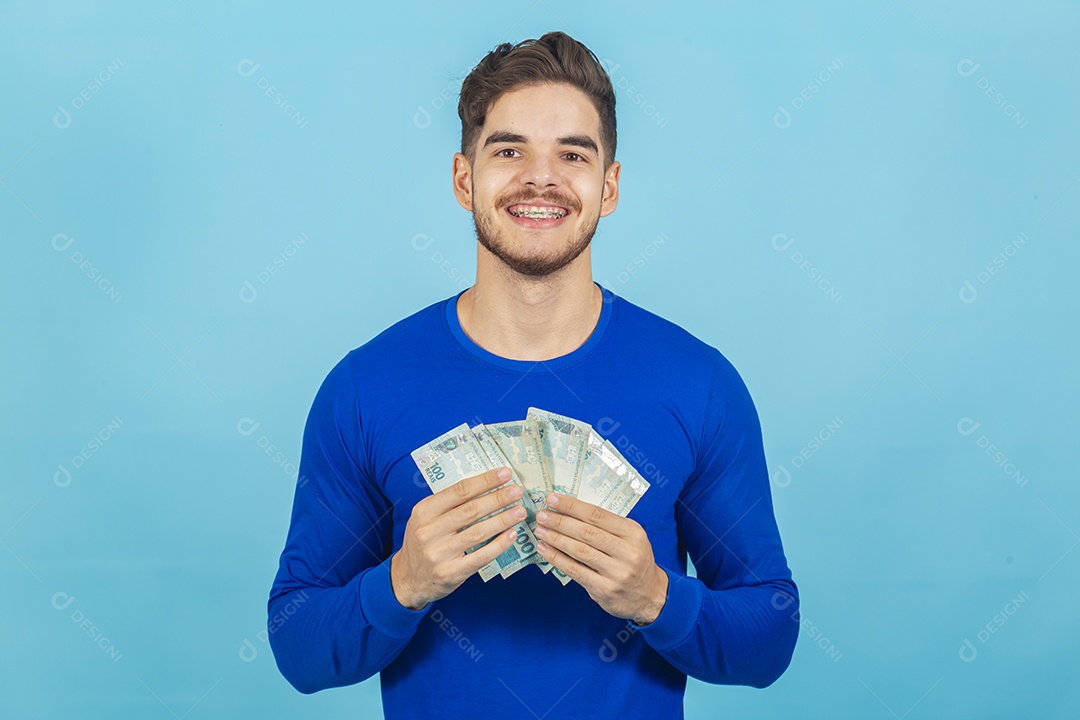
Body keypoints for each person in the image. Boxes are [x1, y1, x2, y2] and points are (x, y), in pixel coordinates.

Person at [268, 30, 799, 719]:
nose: (540, 178)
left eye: (572, 154)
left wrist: (658, 599)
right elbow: (297, 649)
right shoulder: (364, 388)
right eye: (509, 149)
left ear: (608, 186)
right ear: (465, 179)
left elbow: (771, 637)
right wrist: (401, 582)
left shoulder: (700, 386)